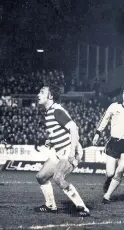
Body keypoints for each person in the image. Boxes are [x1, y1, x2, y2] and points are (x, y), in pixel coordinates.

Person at [34, 85, 89, 217]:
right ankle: (50, 206)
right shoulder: (49, 112)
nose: (38, 94)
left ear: (50, 96)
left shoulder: (56, 110)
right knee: (41, 177)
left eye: (42, 92)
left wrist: (71, 152)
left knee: (58, 177)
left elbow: (74, 129)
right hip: (59, 151)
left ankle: (82, 207)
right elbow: (60, 131)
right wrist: (51, 140)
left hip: (70, 150)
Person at [92, 87, 124, 204]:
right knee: (110, 173)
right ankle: (109, 180)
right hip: (114, 142)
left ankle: (107, 196)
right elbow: (104, 119)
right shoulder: (114, 106)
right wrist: (97, 134)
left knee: (121, 169)